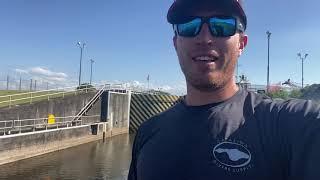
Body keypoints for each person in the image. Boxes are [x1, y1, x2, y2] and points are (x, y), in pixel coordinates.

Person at [128, 0, 320, 179]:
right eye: (189, 25)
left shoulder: (285, 125)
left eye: (222, 25)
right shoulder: (147, 133)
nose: (204, 38)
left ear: (241, 44)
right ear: (176, 43)